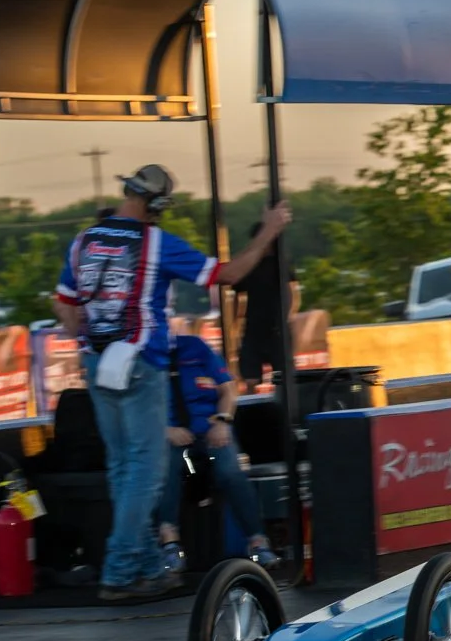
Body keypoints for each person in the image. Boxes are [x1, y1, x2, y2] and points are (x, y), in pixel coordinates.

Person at [54, 164, 292, 602]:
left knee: (123, 468)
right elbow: (228, 275)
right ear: (156, 204)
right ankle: (119, 570)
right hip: (140, 360)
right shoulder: (154, 242)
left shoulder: (84, 241)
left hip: (97, 362)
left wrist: (87, 339)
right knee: (147, 472)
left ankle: (146, 565)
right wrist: (269, 232)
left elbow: (65, 304)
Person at [156, 326, 279, 575]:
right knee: (166, 467)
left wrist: (222, 421)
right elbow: (136, 411)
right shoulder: (143, 358)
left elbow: (228, 389)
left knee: (230, 471)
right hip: (167, 433)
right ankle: (169, 543)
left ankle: (258, 543)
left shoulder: (196, 347)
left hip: (210, 428)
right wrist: (165, 430)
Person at [232, 221, 300, 395]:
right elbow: (238, 298)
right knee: (250, 378)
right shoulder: (248, 266)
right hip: (254, 327)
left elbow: (293, 292)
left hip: (277, 328)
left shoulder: (281, 264)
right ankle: (252, 406)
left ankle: (285, 406)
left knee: (283, 377)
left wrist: (289, 317)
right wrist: (234, 325)